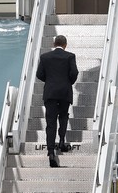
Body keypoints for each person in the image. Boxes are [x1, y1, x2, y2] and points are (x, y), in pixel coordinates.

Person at [36, 34, 79, 168]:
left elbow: (39, 74)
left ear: (54, 44)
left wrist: (50, 82)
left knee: (51, 122)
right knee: (63, 116)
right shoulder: (70, 56)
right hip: (65, 92)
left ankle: (50, 152)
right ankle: (61, 141)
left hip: (50, 93)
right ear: (65, 45)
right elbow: (74, 73)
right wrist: (68, 83)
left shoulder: (45, 57)